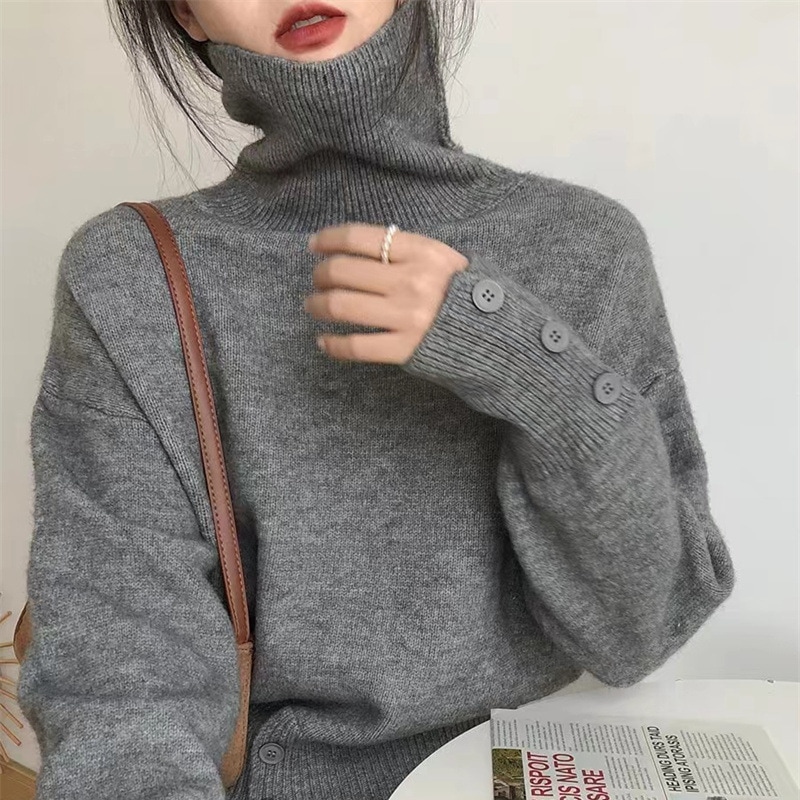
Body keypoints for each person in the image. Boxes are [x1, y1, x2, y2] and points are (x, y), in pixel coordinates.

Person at [17, 0, 735, 798]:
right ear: (187, 13)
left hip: (543, 772)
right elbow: (122, 684)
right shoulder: (133, 277)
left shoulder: (585, 245)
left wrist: (519, 357)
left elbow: (639, 632)